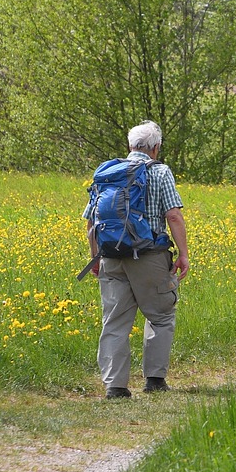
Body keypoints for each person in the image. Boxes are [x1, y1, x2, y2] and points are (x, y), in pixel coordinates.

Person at [83, 121, 189, 399]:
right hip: (149, 256)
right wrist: (184, 254)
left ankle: (115, 386)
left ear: (130, 146)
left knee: (115, 320)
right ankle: (154, 380)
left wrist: (95, 256)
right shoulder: (160, 171)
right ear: (156, 148)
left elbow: (91, 220)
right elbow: (174, 216)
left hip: (111, 256)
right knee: (161, 315)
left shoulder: (107, 172)